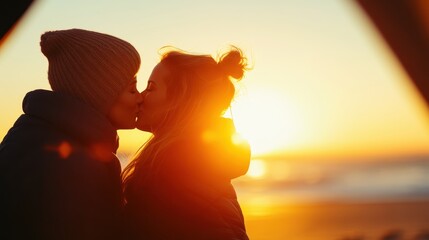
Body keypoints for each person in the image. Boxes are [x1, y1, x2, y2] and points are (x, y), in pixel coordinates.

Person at [0, 28, 142, 240]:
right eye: (132, 89)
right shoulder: (75, 164)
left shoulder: (34, 137)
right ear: (98, 93)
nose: (140, 98)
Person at [122, 46, 251, 240]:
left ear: (180, 100)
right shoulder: (183, 166)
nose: (140, 96)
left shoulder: (177, 175)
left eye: (151, 88)